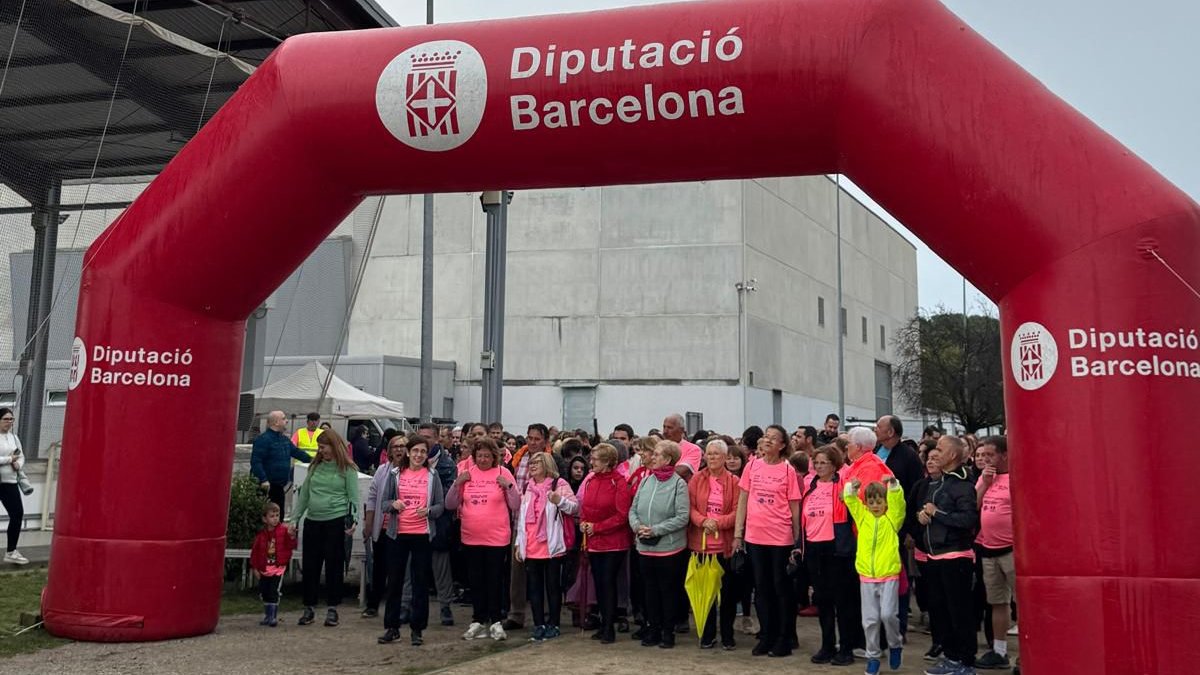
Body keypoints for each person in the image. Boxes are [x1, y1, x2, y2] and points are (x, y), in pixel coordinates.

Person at [734, 424, 801, 657]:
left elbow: (794, 506)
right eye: (766, 436)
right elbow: (743, 499)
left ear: (783, 445)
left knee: (780, 587)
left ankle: (784, 637)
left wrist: (797, 540)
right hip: (755, 536)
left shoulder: (787, 470)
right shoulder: (752, 466)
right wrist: (738, 534)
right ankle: (767, 634)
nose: (768, 441)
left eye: (774, 438)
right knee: (761, 588)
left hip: (780, 537)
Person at [916, 436, 980, 675]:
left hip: (956, 558)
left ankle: (966, 661)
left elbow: (967, 520)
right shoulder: (938, 483)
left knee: (959, 612)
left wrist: (937, 513)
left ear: (952, 455)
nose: (935, 453)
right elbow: (931, 513)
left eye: (940, 450)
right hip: (935, 557)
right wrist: (922, 517)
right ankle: (952, 658)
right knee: (941, 612)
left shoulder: (962, 485)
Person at [446, 437, 519, 641]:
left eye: (487, 456)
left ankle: (495, 620)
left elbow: (515, 504)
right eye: (480, 456)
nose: (484, 459)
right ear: (474, 456)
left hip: (497, 538)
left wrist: (508, 487)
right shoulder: (466, 474)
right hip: (471, 537)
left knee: (494, 579)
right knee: (475, 580)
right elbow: (450, 504)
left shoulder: (503, 473)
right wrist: (456, 484)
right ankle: (478, 619)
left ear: (494, 456)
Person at [378, 434, 446, 646]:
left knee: (420, 583)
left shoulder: (432, 476)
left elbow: (440, 506)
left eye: (423, 452)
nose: (418, 455)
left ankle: (417, 629)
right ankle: (392, 627)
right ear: (408, 452)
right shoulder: (396, 474)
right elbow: (384, 503)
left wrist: (429, 511)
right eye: (415, 451)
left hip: (422, 534)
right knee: (395, 581)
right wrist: (393, 505)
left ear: (427, 455)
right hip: (397, 534)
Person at [286, 429, 359, 628]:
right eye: (319, 447)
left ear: (334, 446)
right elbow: (304, 496)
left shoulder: (348, 469)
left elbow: (353, 497)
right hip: (313, 521)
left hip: (335, 520)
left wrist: (353, 519)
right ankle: (309, 607)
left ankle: (332, 609)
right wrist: (294, 520)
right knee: (310, 566)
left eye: (323, 447)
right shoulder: (315, 467)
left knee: (334, 566)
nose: (321, 451)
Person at [802, 444, 860, 666]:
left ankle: (846, 647)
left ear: (834, 464)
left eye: (823, 462)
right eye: (816, 462)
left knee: (843, 601)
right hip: (815, 548)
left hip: (837, 548)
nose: (818, 466)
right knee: (822, 599)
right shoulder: (810, 486)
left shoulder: (842, 486)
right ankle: (827, 644)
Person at [628, 439, 690, 649]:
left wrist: (656, 530)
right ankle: (652, 629)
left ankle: (667, 632)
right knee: (649, 592)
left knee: (668, 592)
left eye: (656, 454)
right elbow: (633, 509)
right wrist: (638, 527)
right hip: (645, 546)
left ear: (668, 459)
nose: (652, 457)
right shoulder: (646, 481)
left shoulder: (678, 484)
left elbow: (682, 517)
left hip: (669, 549)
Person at [844, 478, 907, 675]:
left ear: (885, 502)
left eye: (879, 501)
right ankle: (873, 656)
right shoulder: (862, 517)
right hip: (867, 577)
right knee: (870, 620)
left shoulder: (892, 518)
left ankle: (895, 644)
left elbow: (898, 502)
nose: (875, 506)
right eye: (871, 502)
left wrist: (894, 486)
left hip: (888, 575)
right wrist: (852, 487)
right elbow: (850, 500)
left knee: (888, 614)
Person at [516, 452, 579, 642]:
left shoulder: (558, 484)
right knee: (534, 588)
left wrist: (559, 501)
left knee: (553, 587)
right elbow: (521, 519)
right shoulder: (528, 487)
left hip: (551, 546)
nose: (533, 466)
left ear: (547, 465)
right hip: (532, 544)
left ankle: (554, 623)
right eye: (531, 463)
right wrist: (519, 544)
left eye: (537, 463)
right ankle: (538, 624)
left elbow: (575, 508)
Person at [687, 439, 741, 650]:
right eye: (709, 454)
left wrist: (717, 522)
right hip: (700, 545)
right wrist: (702, 521)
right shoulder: (696, 479)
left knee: (727, 595)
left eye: (716, 454)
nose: (712, 458)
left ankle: (727, 634)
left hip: (724, 545)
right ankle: (707, 634)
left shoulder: (734, 482)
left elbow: (738, 511)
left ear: (725, 457)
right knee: (704, 593)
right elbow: (690, 507)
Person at [578, 443, 633, 644]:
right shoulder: (591, 481)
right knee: (599, 583)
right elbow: (585, 505)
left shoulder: (619, 483)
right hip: (594, 540)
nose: (591, 463)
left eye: (595, 459)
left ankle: (609, 626)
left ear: (608, 462)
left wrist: (598, 527)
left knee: (608, 581)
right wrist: (584, 522)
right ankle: (603, 623)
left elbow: (622, 515)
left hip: (613, 542)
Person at [973, 436, 1015, 670]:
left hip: (1011, 549)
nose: (985, 459)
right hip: (988, 548)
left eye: (990, 455)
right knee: (997, 601)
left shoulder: (1015, 477)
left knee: (1020, 602)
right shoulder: (986, 477)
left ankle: (1029, 650)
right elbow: (975, 505)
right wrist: (985, 484)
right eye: (983, 455)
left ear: (1004, 455)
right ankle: (999, 650)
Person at [362, 434, 408, 618]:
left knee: (399, 570)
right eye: (395, 446)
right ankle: (373, 604)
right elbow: (372, 498)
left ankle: (398, 606)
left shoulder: (411, 472)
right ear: (389, 451)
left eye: (402, 446)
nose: (399, 449)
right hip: (382, 527)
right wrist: (369, 523)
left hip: (403, 528)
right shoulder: (382, 470)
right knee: (379, 567)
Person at [250, 410, 312, 520]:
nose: (287, 421)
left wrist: (314, 460)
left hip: (278, 486)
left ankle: (276, 536)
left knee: (278, 516)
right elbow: (256, 461)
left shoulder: (284, 440)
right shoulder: (263, 440)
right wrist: (263, 479)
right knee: (267, 517)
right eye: (284, 418)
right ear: (276, 422)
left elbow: (297, 452)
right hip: (267, 486)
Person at [723, 442, 757, 636]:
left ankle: (745, 614)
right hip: (727, 533)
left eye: (735, 457)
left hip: (746, 531)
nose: (732, 460)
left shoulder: (746, 477)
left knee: (745, 577)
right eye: (728, 457)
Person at [250, 502, 296, 627]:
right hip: (264, 568)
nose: (275, 518)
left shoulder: (284, 531)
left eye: (277, 515)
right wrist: (255, 567)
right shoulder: (261, 535)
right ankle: (267, 615)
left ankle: (273, 616)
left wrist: (292, 536)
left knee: (273, 591)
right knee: (264, 592)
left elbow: (291, 545)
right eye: (272, 516)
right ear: (265, 518)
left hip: (278, 568)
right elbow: (255, 552)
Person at [0, 408, 28, 565]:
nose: (9, 422)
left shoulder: (14, 438)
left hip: (10, 482)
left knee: (17, 514)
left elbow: (21, 455)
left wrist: (18, 463)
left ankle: (11, 551)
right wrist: (8, 459)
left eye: (11, 419)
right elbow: (7, 458)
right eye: (6, 419)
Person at [661, 414, 703, 480]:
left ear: (681, 430)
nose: (665, 431)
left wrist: (658, 472)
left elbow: (681, 471)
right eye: (664, 427)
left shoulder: (693, 449)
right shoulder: (658, 447)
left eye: (670, 428)